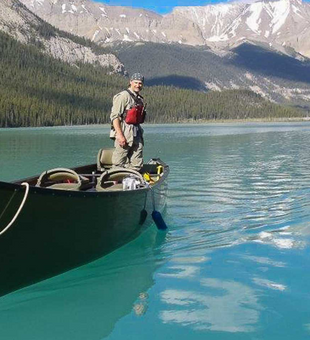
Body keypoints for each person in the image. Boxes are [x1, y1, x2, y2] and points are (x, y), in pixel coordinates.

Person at [110, 73, 146, 171]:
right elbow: (115, 117)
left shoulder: (139, 98)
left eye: (140, 83)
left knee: (137, 163)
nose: (138, 85)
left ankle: (131, 183)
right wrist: (120, 135)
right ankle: (115, 184)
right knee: (119, 162)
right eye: (135, 82)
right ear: (130, 82)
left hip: (136, 133)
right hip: (124, 133)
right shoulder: (123, 96)